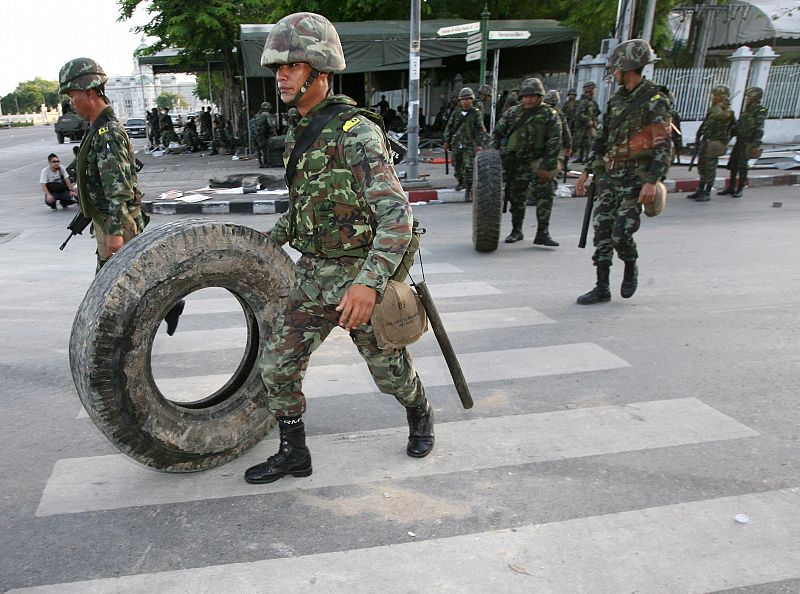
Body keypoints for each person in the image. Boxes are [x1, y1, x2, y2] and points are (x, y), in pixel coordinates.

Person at [244, 12, 433, 485]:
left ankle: (420, 411)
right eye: (278, 68)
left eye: (292, 65)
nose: (282, 75)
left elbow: (397, 218)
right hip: (311, 279)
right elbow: (306, 210)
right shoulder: (298, 133)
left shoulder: (358, 134)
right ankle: (294, 453)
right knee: (276, 367)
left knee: (389, 374)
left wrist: (369, 285)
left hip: (357, 281)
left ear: (321, 72)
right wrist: (261, 242)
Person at [58, 57, 184, 334]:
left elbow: (120, 190)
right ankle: (167, 306)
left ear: (89, 91)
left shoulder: (107, 133)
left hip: (118, 222)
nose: (71, 102)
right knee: (126, 281)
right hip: (108, 221)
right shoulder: (96, 130)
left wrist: (115, 232)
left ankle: (119, 340)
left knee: (114, 290)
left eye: (72, 94)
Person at [575, 39, 673, 304]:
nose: (613, 72)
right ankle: (601, 287)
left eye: (616, 68)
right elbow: (602, 139)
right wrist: (588, 171)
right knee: (602, 232)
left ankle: (630, 265)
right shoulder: (617, 100)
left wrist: (652, 181)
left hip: (636, 178)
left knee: (621, 234)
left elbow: (663, 144)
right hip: (609, 176)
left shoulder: (655, 100)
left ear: (626, 67)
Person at [491, 77, 562, 245]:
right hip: (516, 162)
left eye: (532, 96)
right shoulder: (512, 113)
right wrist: (492, 156)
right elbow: (497, 134)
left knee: (545, 195)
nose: (528, 99)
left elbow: (555, 140)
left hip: (539, 161)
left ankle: (542, 232)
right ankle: (517, 231)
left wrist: (548, 165)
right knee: (517, 198)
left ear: (540, 97)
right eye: (525, 96)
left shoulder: (549, 114)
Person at [688, 85, 735, 202]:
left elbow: (733, 128)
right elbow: (705, 124)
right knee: (702, 166)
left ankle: (707, 191)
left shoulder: (727, 111)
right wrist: (699, 136)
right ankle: (700, 189)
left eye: (714, 96)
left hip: (715, 143)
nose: (712, 98)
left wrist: (724, 141)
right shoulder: (713, 109)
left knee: (710, 168)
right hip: (706, 140)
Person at [720, 86, 767, 198]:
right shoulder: (747, 109)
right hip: (740, 140)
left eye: (749, 96)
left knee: (742, 166)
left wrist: (756, 144)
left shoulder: (760, 110)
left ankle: (740, 187)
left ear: (755, 96)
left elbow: (759, 128)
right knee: (733, 163)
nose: (747, 98)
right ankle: (731, 187)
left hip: (748, 142)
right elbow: (739, 124)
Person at [442, 87, 485, 197]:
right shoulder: (456, 113)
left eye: (468, 99)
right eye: (463, 99)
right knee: (457, 164)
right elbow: (449, 127)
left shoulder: (476, 113)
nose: (465, 102)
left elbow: (480, 129)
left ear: (472, 100)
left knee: (469, 166)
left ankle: (469, 187)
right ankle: (460, 181)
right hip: (456, 144)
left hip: (469, 145)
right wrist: (446, 140)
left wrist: (479, 144)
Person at [544, 88, 573, 179]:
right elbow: (566, 131)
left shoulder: (540, 111)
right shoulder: (559, 114)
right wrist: (569, 146)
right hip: (555, 145)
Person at [573, 81, 600, 162]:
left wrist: (595, 120)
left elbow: (597, 112)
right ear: (589, 90)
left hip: (590, 126)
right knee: (583, 142)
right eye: (593, 89)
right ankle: (582, 157)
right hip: (583, 126)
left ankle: (586, 157)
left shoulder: (593, 102)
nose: (594, 91)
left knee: (589, 142)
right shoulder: (583, 102)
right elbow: (579, 114)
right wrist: (588, 120)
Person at [253, 101, 278, 167]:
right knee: (265, 149)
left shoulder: (257, 115)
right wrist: (274, 130)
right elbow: (270, 124)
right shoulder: (266, 114)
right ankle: (266, 163)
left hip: (254, 134)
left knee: (258, 149)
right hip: (261, 134)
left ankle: (260, 164)